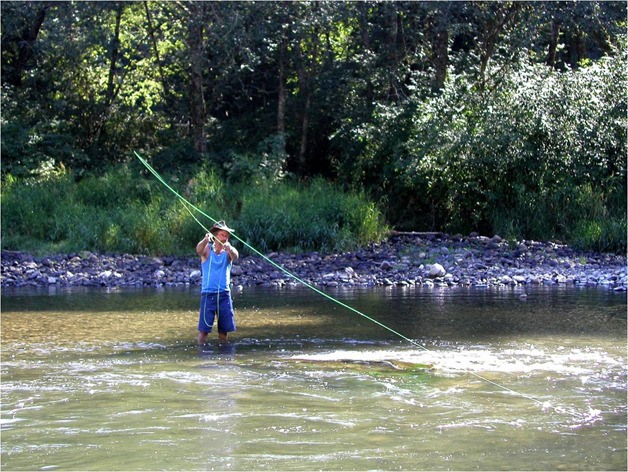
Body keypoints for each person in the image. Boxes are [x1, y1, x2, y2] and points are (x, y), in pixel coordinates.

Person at [196, 220, 239, 344]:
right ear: (215, 236)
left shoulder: (229, 251)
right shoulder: (207, 249)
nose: (224, 238)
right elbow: (199, 250)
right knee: (204, 331)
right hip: (208, 294)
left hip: (224, 295)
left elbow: (235, 256)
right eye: (222, 235)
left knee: (223, 332)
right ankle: (201, 356)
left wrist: (230, 249)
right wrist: (205, 240)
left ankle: (224, 358)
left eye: (226, 235)